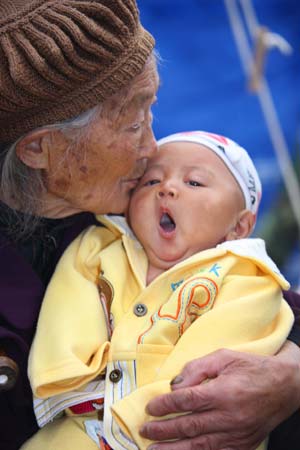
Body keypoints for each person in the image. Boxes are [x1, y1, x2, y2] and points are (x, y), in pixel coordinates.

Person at [0, 1, 299, 449]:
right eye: (133, 121)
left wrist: (290, 377)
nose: (152, 146)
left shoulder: (144, 209)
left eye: (151, 110)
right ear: (39, 149)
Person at [24, 131, 294, 450]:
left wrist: (150, 412)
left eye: (194, 182)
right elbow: (67, 309)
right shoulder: (98, 247)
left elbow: (213, 356)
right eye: (151, 182)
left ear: (239, 226)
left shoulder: (248, 278)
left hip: (185, 430)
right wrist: (69, 372)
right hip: (84, 421)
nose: (167, 188)